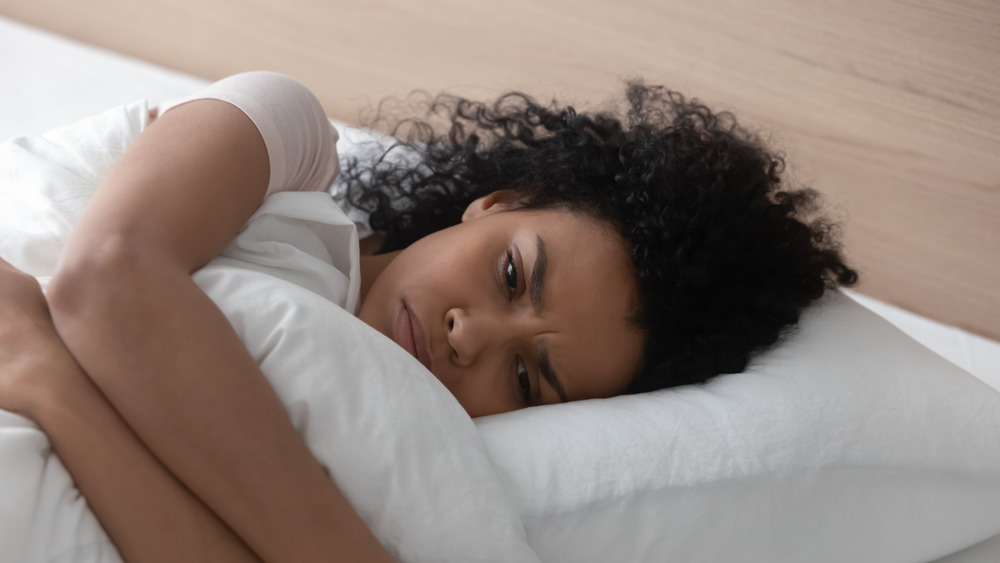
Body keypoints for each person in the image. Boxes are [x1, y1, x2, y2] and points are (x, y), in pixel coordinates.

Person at [0, 71, 856, 561]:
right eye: (513, 274)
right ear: (496, 202)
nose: (472, 336)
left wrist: (52, 382)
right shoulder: (284, 140)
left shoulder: (375, 449)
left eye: (525, 379)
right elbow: (107, 275)